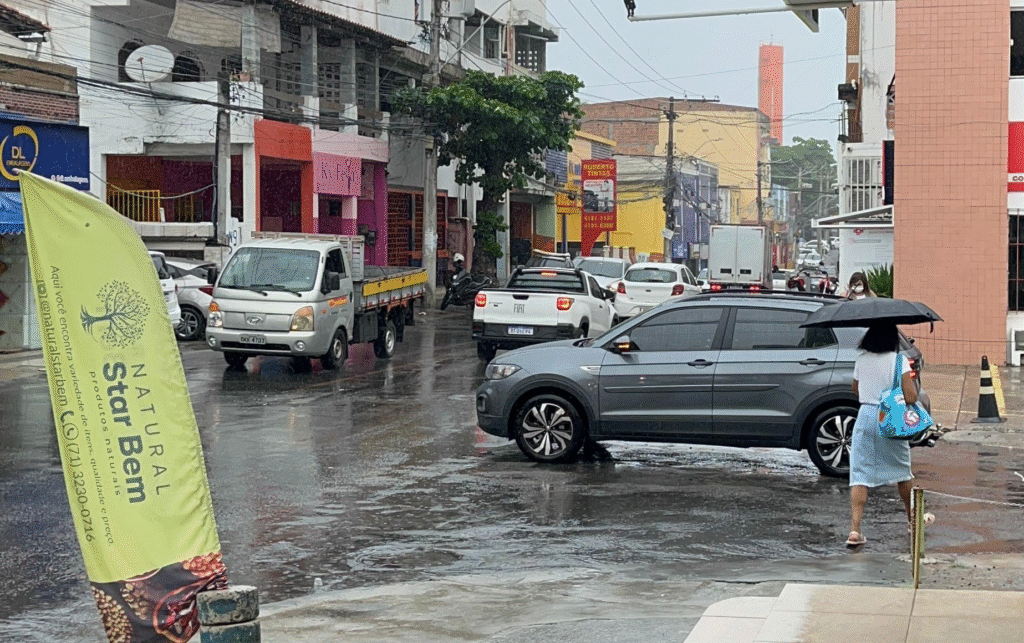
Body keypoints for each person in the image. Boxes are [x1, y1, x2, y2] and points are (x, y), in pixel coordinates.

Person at [846, 323, 934, 548]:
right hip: (890, 417)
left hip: (865, 416)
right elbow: (911, 396)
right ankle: (912, 521)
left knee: (860, 474)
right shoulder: (899, 361)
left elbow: (856, 389)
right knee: (902, 471)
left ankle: (855, 530)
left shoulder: (861, 360)